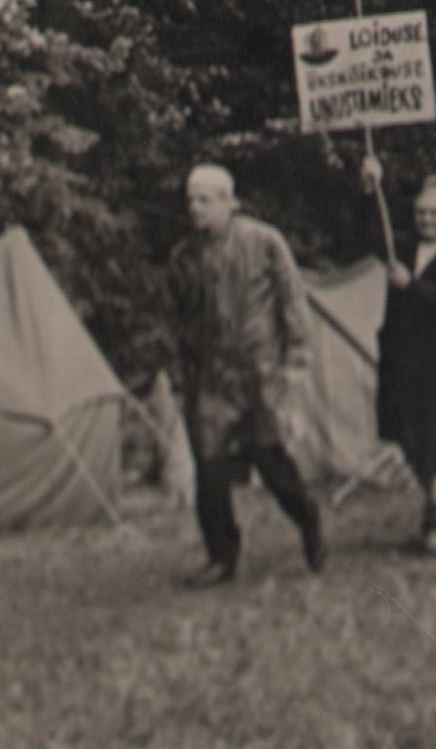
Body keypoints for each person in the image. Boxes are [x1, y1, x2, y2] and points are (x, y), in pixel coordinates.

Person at [166, 164, 324, 588]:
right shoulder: (183, 257)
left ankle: (308, 518)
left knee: (272, 462)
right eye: (191, 200)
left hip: (260, 374)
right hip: (210, 381)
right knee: (210, 468)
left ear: (228, 201)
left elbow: (293, 305)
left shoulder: (265, 242)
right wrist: (181, 376)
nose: (196, 208)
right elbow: (177, 322)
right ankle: (221, 556)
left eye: (205, 199)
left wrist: (295, 363)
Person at [363, 159, 436, 553]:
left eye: (435, 213)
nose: (427, 220)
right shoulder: (405, 250)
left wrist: (412, 288)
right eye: (422, 213)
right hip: (406, 363)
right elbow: (368, 234)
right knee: (410, 438)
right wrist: (371, 187)